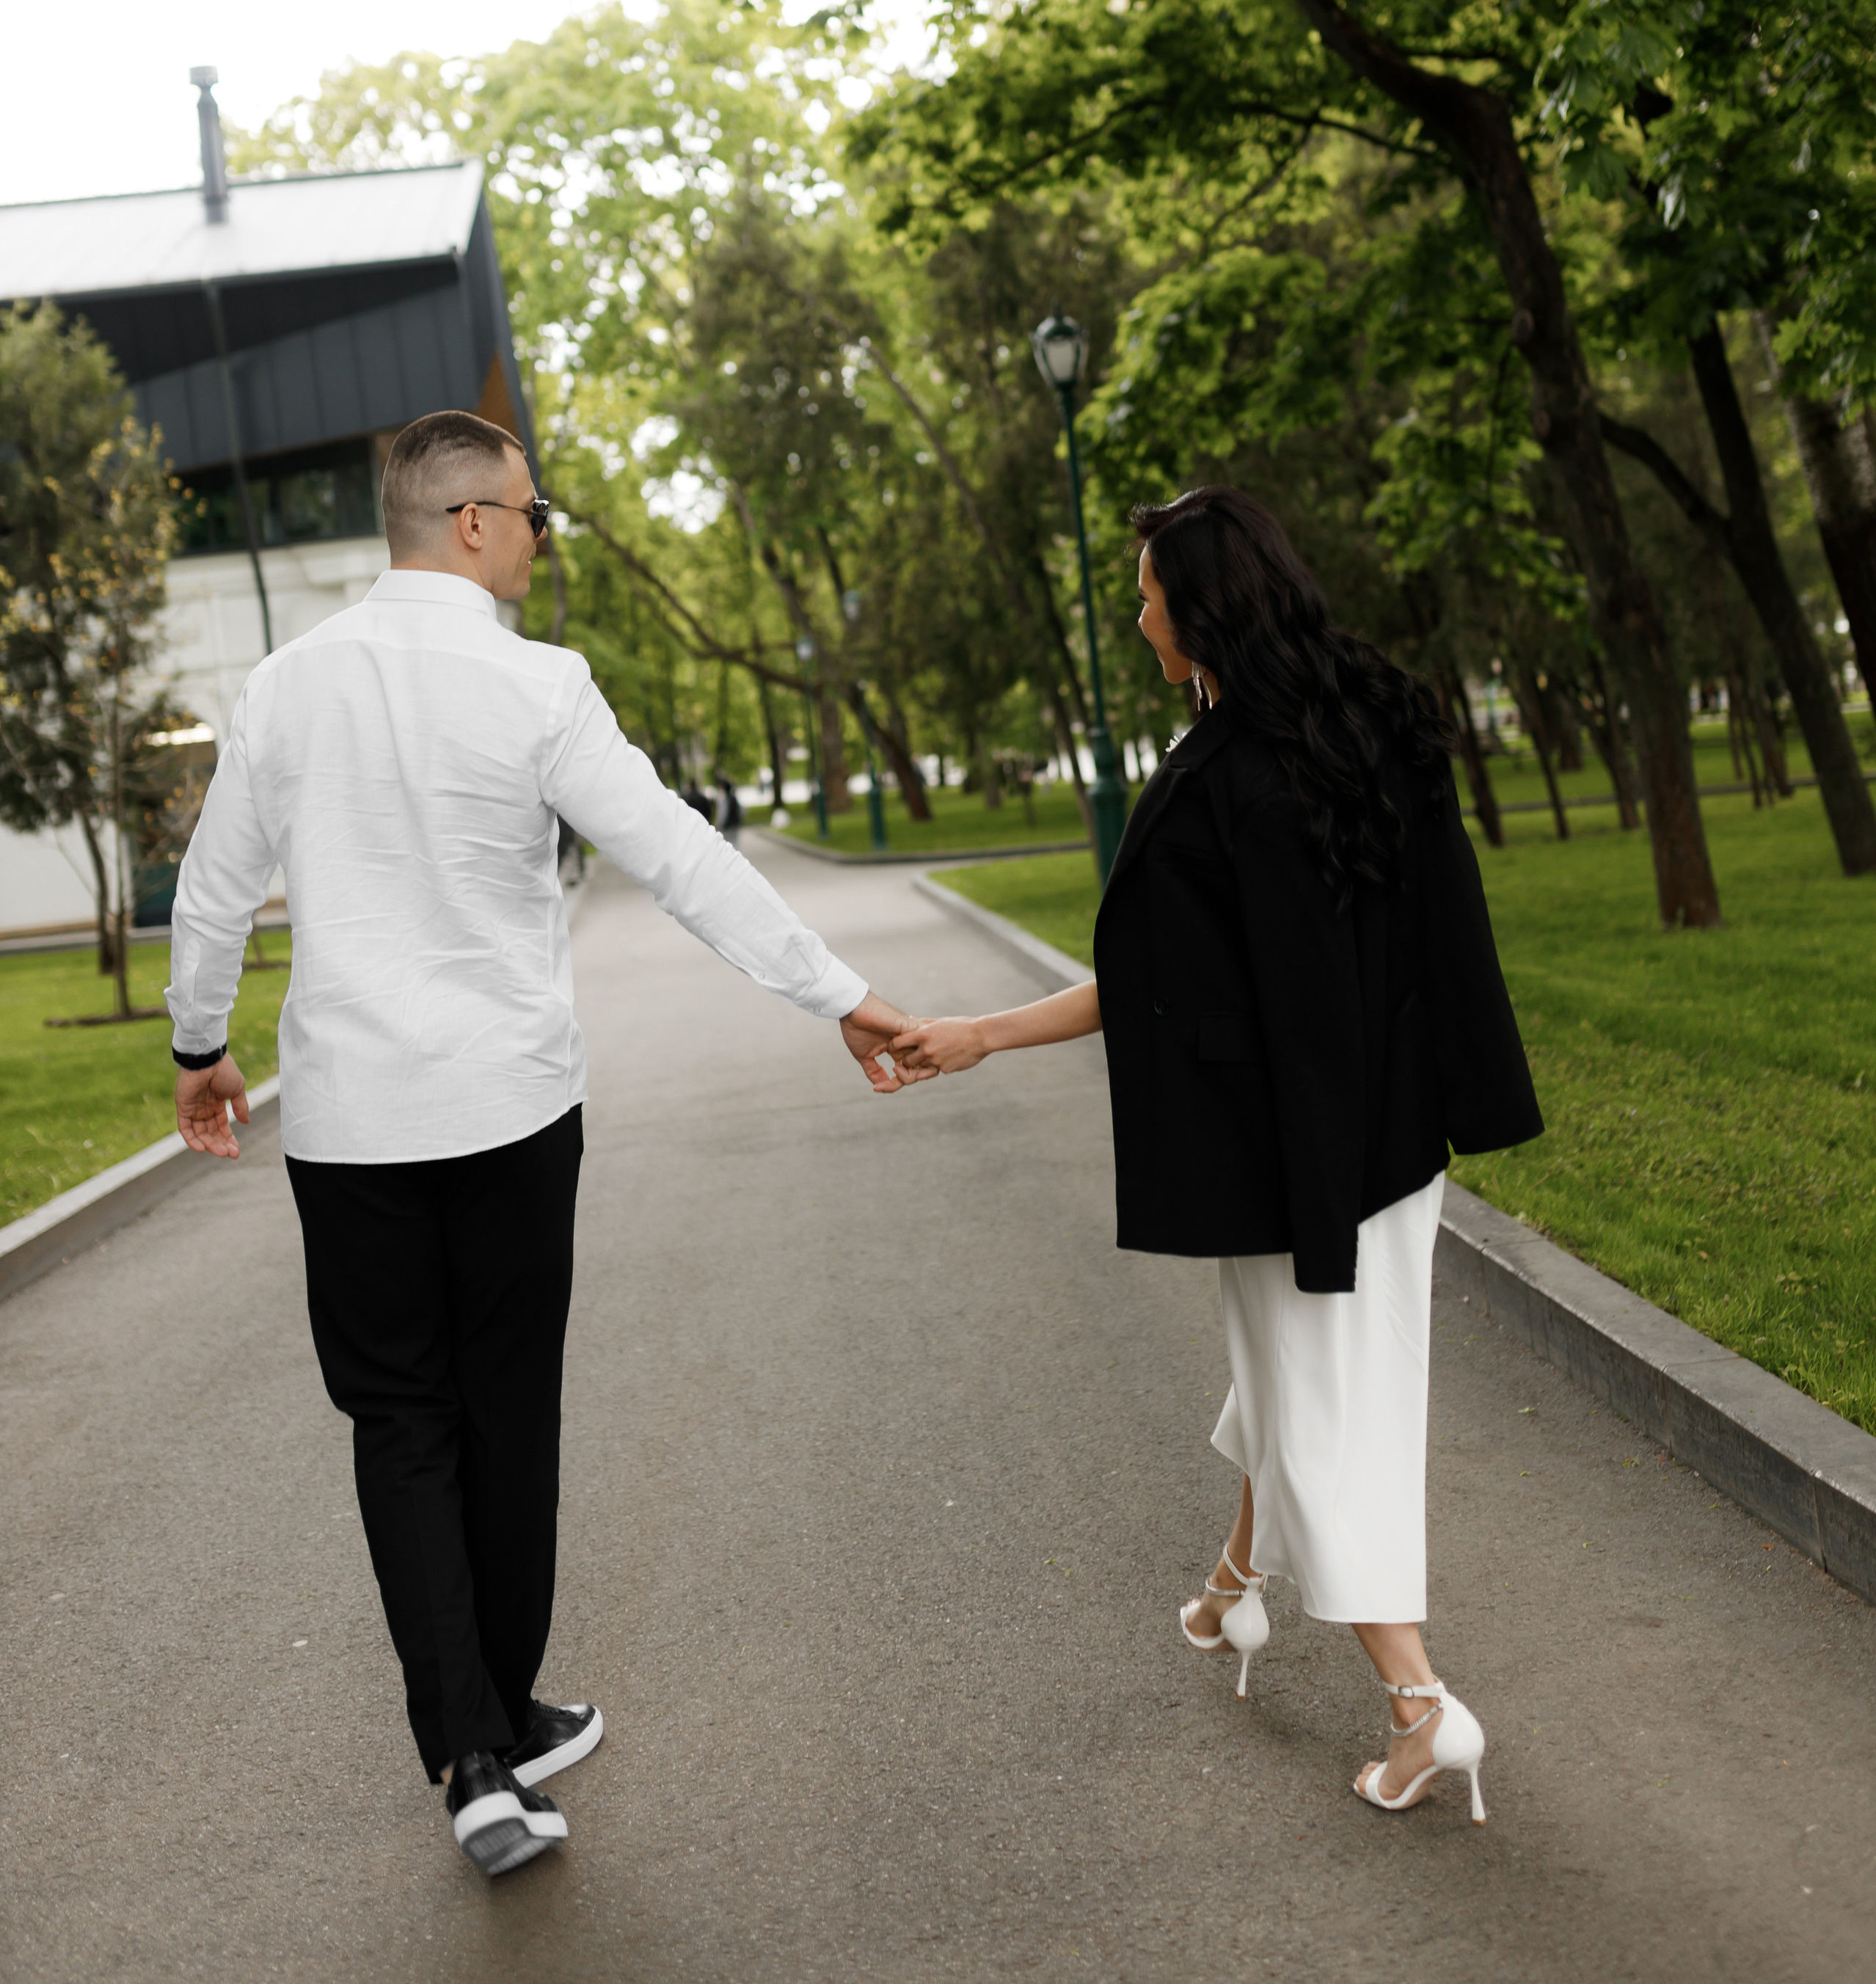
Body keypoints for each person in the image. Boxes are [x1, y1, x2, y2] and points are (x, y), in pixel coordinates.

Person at [167, 409, 913, 1879]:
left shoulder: (287, 686)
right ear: (466, 524)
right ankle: (479, 1754)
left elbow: (212, 892)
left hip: (354, 1125)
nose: (537, 533)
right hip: (510, 1115)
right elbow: (681, 859)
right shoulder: (537, 687)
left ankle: (485, 1732)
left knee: (403, 1421)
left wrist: (200, 1047)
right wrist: (842, 997)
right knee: (505, 1413)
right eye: (527, 512)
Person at [898, 486, 1541, 1823]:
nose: (1137, 619)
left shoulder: (1224, 782)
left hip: (1296, 1168)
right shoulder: (1375, 722)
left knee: (1317, 1414)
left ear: (1204, 615)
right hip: (1393, 1151)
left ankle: (1422, 1709)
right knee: (1299, 1378)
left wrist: (980, 1037)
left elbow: (1151, 993)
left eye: (1148, 597)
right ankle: (1229, 1594)